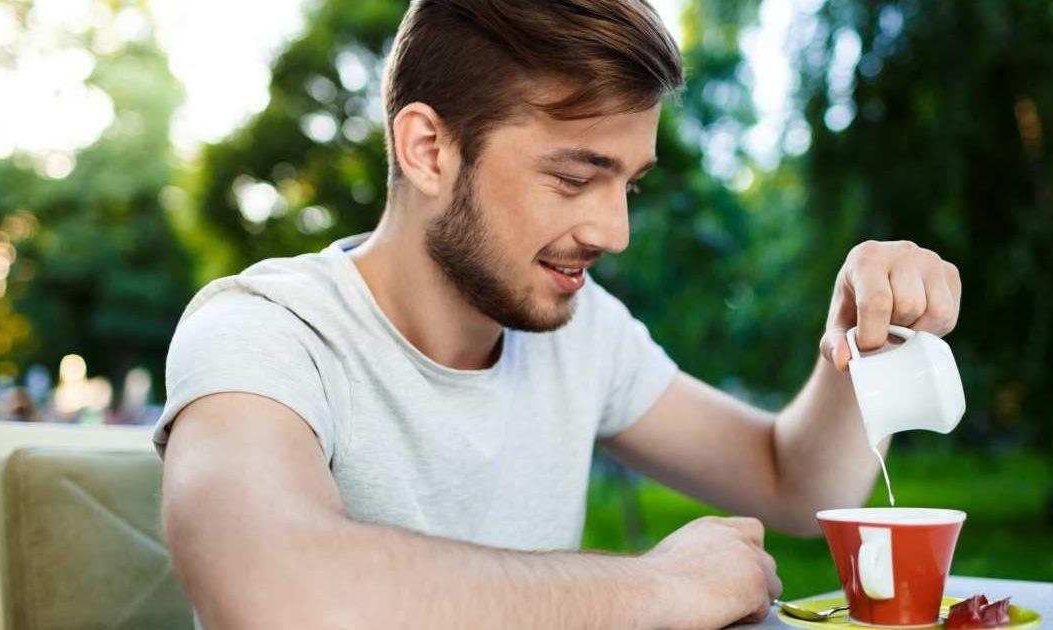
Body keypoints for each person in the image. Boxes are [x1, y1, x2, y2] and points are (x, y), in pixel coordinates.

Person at [156, 1, 962, 628]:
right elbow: (275, 598)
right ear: (429, 149)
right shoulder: (262, 331)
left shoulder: (584, 331)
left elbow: (793, 484)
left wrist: (861, 337)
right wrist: (653, 587)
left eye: (630, 184)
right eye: (577, 178)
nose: (614, 231)